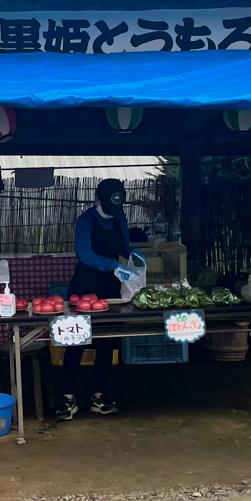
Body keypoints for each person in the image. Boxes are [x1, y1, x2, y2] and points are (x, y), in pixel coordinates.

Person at [58, 178, 145, 422]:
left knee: (107, 343)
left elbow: (124, 244)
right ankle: (67, 398)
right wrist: (112, 265)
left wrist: (134, 254)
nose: (113, 210)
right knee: (76, 342)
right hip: (86, 286)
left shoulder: (119, 217)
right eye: (110, 204)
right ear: (99, 199)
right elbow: (84, 254)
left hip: (111, 288)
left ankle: (100, 396)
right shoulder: (85, 220)